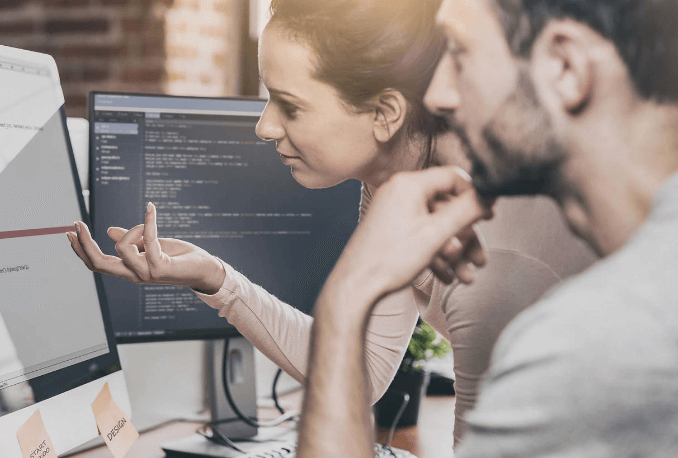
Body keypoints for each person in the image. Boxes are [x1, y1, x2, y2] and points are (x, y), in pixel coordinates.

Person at [67, 0, 595, 445]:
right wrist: (216, 280)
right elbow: (363, 370)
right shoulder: (395, 181)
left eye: (290, 105)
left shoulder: (489, 251)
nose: (263, 125)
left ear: (385, 114)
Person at [295, 0, 678, 457]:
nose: (438, 94)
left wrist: (346, 298)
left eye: (460, 53)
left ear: (565, 66)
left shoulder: (598, 344)